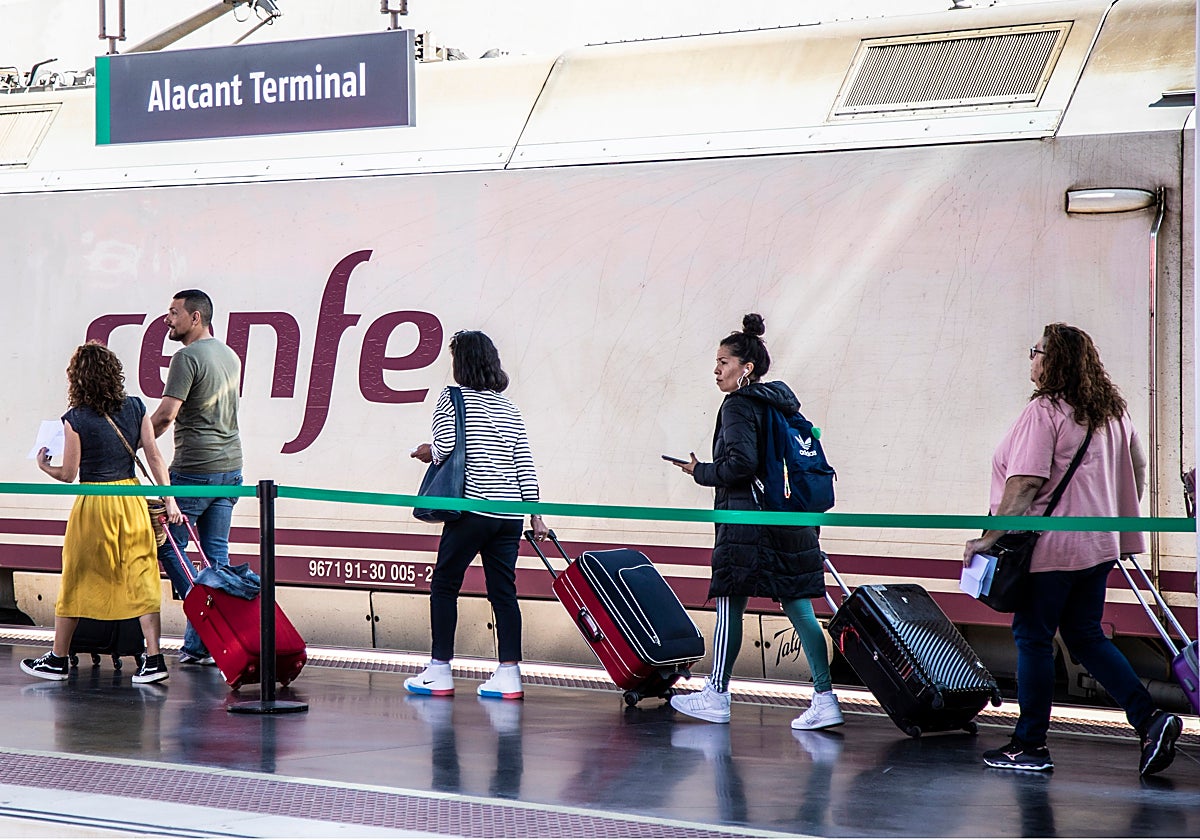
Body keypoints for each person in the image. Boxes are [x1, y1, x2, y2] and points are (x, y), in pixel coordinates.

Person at [963, 323, 1183, 776]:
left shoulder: (1045, 411)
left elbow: (1025, 483)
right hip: (1098, 547)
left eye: (1037, 351)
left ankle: (1030, 747)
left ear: (1054, 360)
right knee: (1085, 636)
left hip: (1050, 551)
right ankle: (1151, 719)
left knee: (1033, 639)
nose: (1032, 359)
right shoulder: (1113, 412)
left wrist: (988, 539)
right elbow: (1137, 470)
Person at [668, 314, 842, 729]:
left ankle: (717, 693)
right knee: (799, 606)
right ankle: (825, 698)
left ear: (746, 368)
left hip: (747, 521)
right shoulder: (780, 405)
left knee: (730, 602)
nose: (716, 370)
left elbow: (741, 465)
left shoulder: (738, 406)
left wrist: (700, 471)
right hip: (789, 518)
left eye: (724, 362)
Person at [22, 342, 183, 683]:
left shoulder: (75, 418)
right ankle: (154, 660)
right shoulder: (136, 408)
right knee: (140, 575)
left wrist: (44, 465)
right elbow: (153, 457)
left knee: (77, 578)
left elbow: (69, 474)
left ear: (77, 379)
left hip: (94, 506)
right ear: (114, 373)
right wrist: (169, 499)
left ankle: (58, 659)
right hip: (131, 501)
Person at [405, 330, 549, 699]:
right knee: (503, 592)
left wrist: (427, 451)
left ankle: (439, 671)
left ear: (461, 363)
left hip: (471, 509)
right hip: (508, 515)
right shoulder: (509, 407)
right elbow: (524, 464)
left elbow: (445, 447)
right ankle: (509, 674)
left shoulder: (452, 399)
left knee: (445, 585)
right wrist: (535, 516)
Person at [150, 289, 243, 666]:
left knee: (164, 542)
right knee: (215, 556)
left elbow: (166, 415)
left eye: (174, 313)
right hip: (231, 467)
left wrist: (135, 440)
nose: (167, 319)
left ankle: (207, 603)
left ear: (196, 318)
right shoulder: (229, 354)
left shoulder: (186, 358)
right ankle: (200, 646)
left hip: (194, 469)